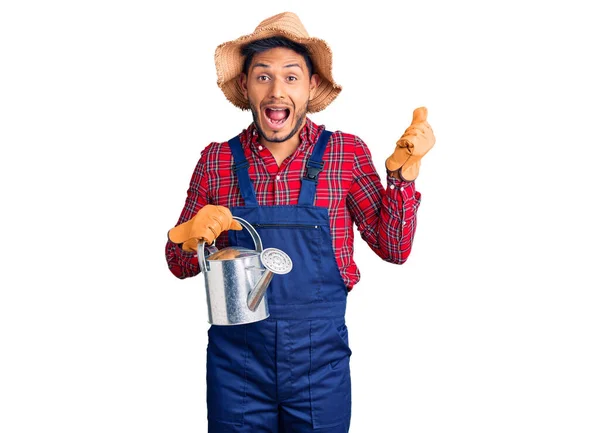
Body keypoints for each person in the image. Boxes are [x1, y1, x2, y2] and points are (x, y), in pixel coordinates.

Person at [165, 11, 435, 433]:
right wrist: (187, 236)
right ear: (245, 86)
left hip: (319, 367)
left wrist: (403, 176)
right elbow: (178, 264)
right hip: (236, 367)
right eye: (263, 76)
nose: (276, 91)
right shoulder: (216, 161)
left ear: (311, 85)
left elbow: (394, 249)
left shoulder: (345, 154)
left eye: (291, 77)